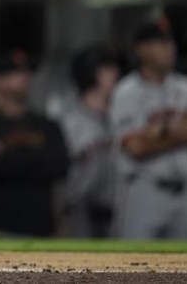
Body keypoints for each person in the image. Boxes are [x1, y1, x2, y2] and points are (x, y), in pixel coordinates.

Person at [110, 19, 187, 239]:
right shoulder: (126, 92)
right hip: (144, 191)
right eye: (160, 43)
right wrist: (182, 130)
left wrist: (160, 132)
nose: (169, 49)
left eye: (170, 42)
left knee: (186, 267)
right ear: (142, 49)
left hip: (185, 192)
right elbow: (136, 147)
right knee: (132, 266)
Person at [0, 50, 70, 237]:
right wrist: (32, 157)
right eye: (16, 74)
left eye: (27, 73)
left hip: (40, 228)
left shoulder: (47, 126)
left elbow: (59, 167)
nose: (26, 78)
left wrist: (9, 156)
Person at [59, 45, 121, 238]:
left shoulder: (119, 117)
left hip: (116, 210)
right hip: (78, 212)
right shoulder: (67, 120)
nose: (116, 74)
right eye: (107, 69)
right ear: (91, 73)